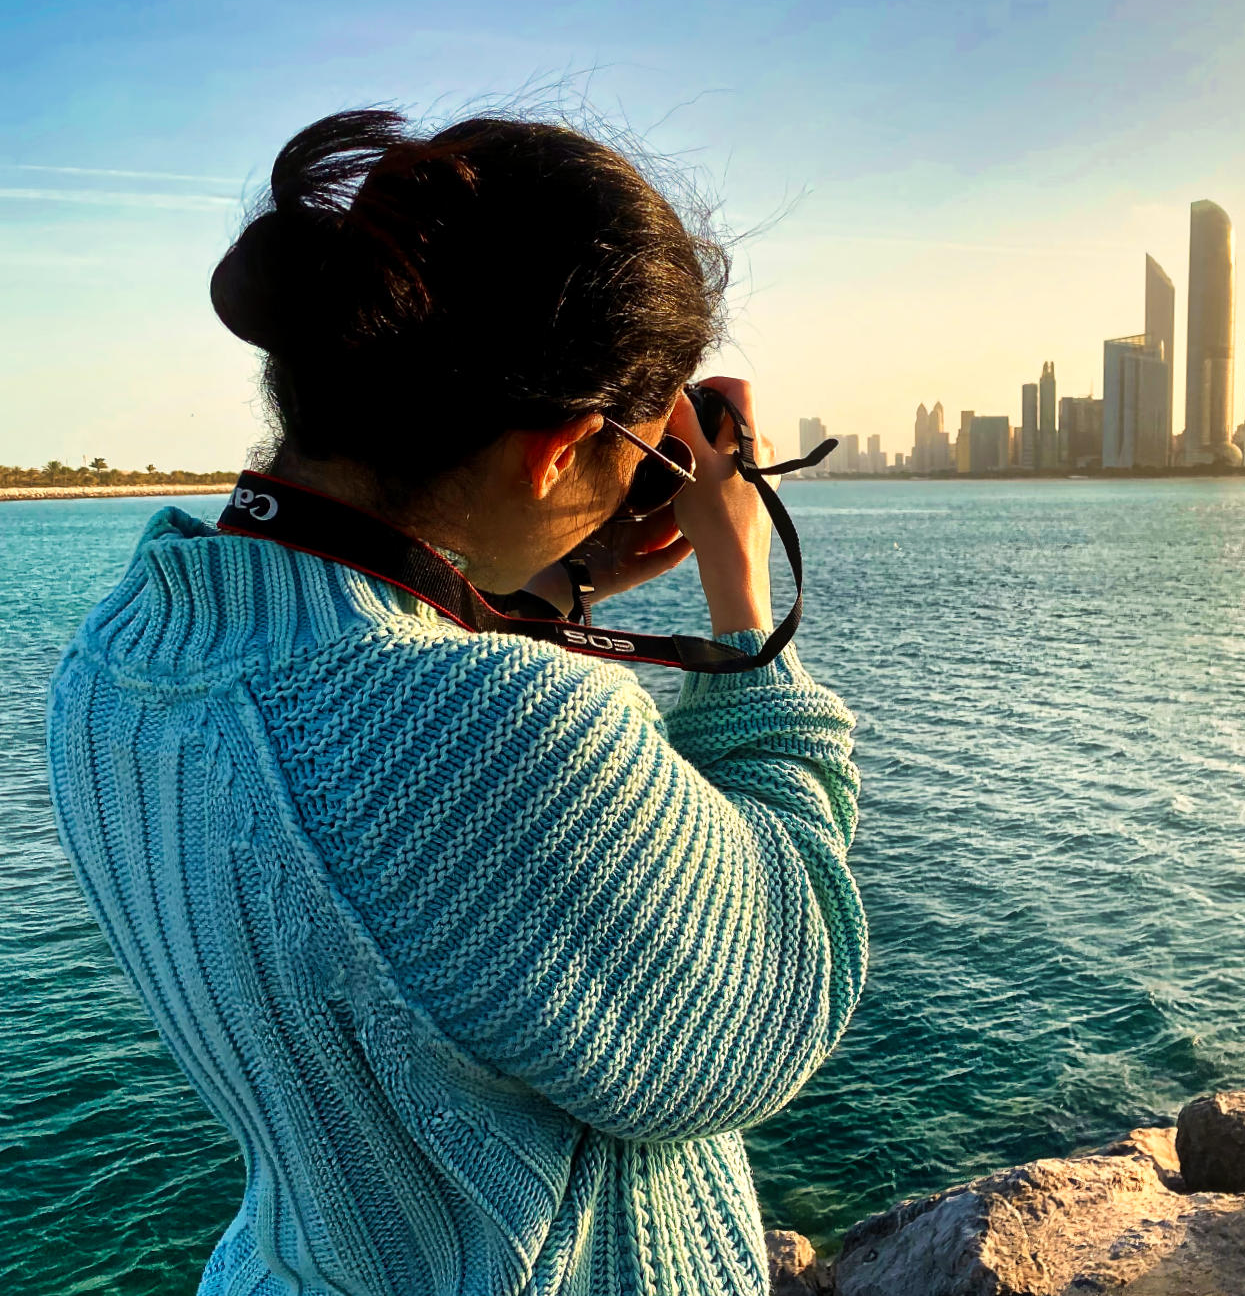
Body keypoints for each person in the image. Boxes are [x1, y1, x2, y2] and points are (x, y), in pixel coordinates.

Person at [45, 110, 865, 1296]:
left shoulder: (117, 661)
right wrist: (742, 607)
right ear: (559, 448)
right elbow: (777, 995)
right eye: (641, 448)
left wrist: (546, 588)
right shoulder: (486, 727)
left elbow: (397, 912)